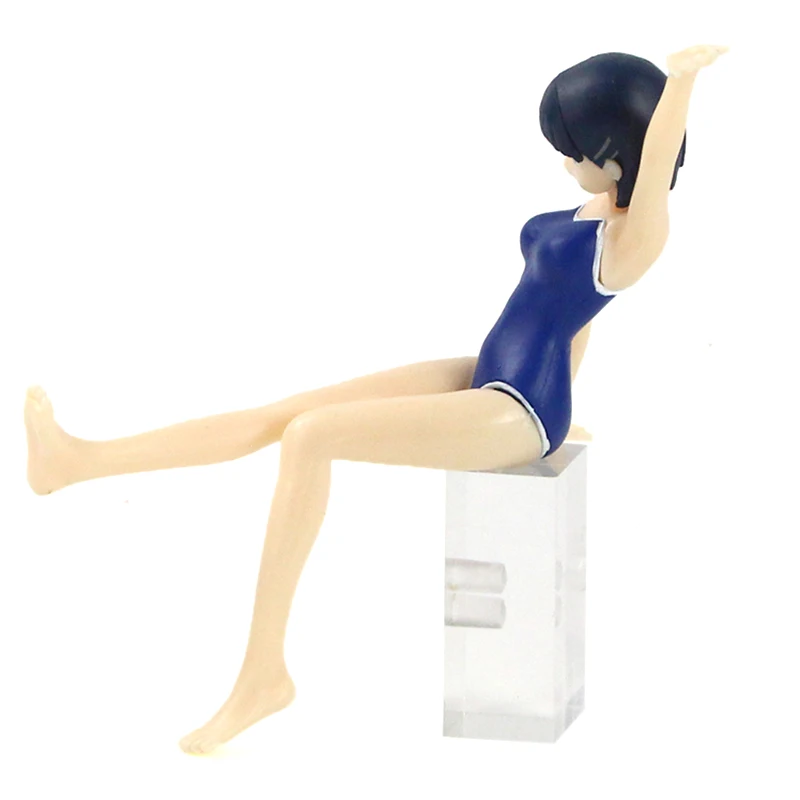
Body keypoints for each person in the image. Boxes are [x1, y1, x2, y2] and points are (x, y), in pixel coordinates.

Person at [23, 45, 726, 754]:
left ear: (616, 154)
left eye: (574, 150)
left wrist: (682, 83)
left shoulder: (636, 240)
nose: (564, 163)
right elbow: (573, 319)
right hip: (489, 375)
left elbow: (653, 169)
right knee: (284, 415)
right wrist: (572, 394)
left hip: (520, 410)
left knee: (312, 437)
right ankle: (79, 461)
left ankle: (264, 677)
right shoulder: (594, 210)